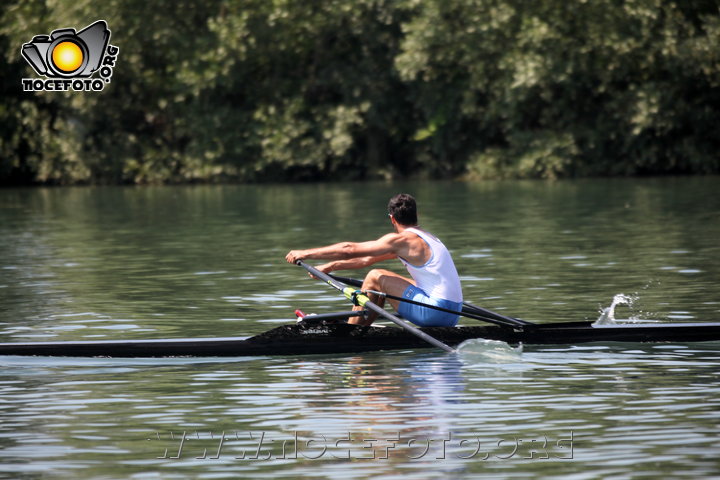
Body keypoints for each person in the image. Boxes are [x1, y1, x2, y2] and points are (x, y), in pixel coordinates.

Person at [285, 193, 463, 327]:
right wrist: (331, 266)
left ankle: (352, 330)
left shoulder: (401, 240)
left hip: (434, 313)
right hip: (452, 313)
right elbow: (367, 259)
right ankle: (360, 324)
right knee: (378, 281)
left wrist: (305, 253)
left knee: (375, 277)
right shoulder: (428, 238)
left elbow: (350, 250)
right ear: (416, 215)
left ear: (392, 219)